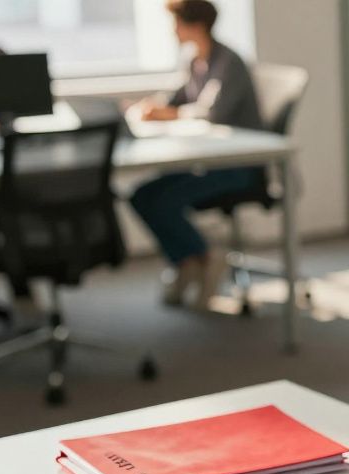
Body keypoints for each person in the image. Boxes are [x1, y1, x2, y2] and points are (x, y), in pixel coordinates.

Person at [129, 0, 263, 308]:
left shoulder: (229, 62)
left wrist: (168, 114)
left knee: (164, 200)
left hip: (238, 166)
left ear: (195, 24)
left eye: (176, 23)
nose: (172, 30)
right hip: (203, 162)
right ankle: (187, 261)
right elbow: (174, 98)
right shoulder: (193, 59)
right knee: (142, 195)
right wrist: (151, 108)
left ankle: (204, 257)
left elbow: (213, 113)